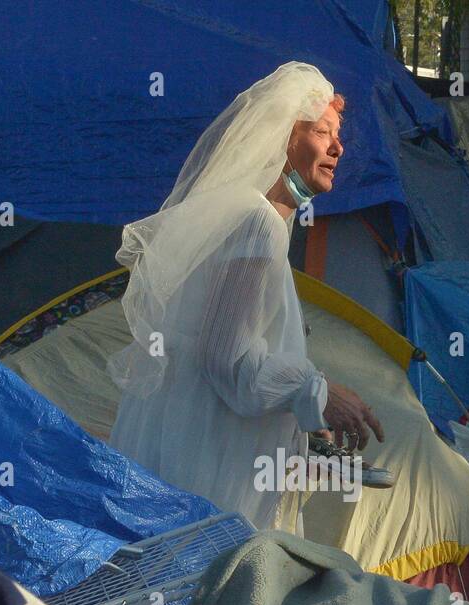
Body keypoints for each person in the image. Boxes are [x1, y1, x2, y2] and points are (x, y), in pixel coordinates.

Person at [108, 62, 383, 532]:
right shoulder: (255, 224)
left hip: (194, 444)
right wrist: (317, 392)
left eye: (337, 136)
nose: (338, 147)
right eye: (322, 132)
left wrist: (301, 412)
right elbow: (224, 356)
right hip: (208, 462)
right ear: (282, 141)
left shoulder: (251, 218)